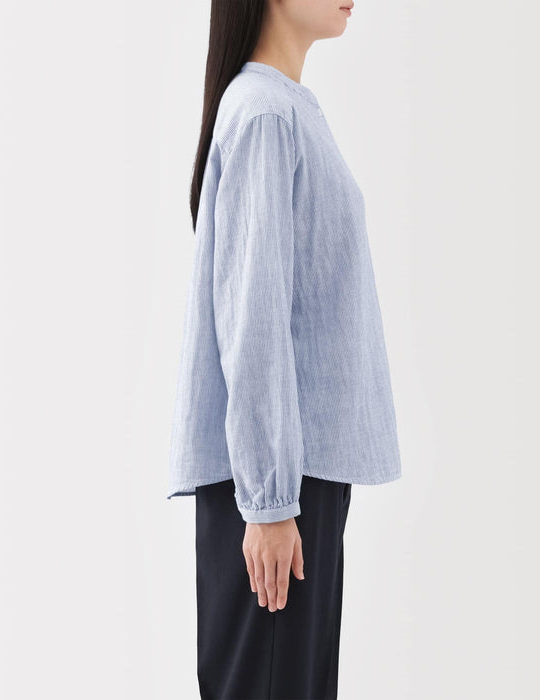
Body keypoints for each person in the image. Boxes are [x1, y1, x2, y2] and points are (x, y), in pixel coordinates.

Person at [166, 1, 402, 697]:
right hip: (275, 482)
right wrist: (268, 501)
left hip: (293, 474)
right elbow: (254, 315)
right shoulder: (266, 113)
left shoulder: (284, 108)